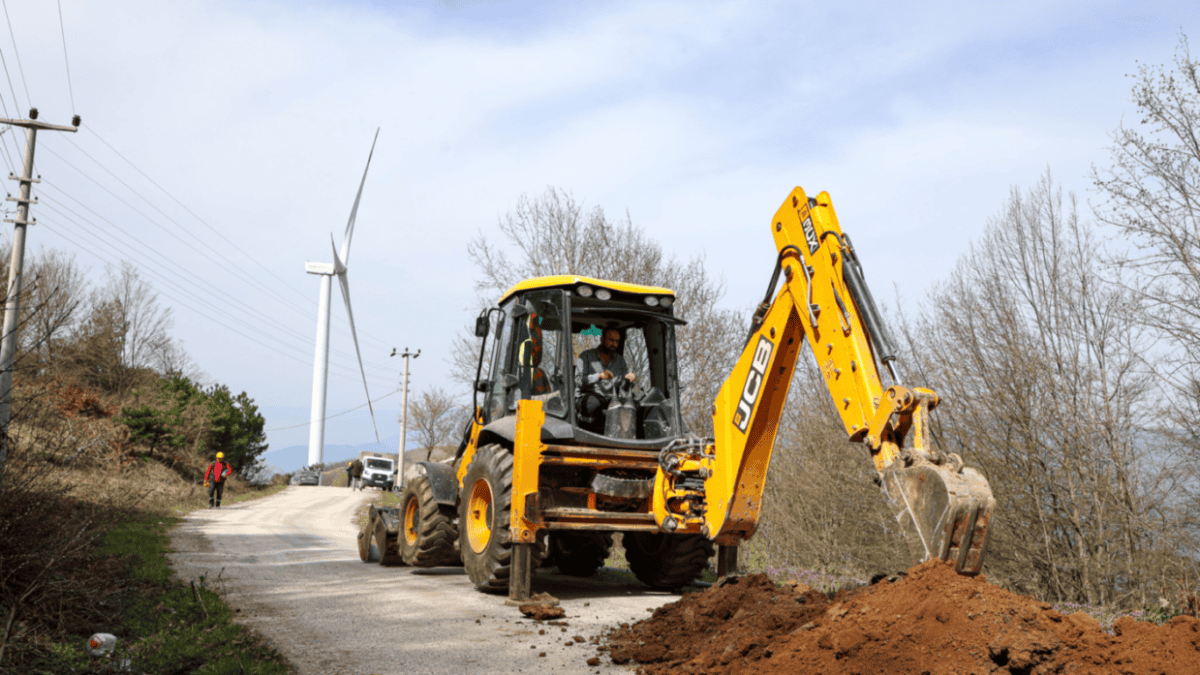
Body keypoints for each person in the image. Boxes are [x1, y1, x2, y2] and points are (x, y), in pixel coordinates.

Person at [575, 327, 637, 427]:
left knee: (632, 406)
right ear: (602, 339)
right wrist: (599, 376)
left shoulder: (620, 360)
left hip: (610, 398)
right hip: (589, 395)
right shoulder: (586, 356)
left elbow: (624, 387)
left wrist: (628, 380)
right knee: (592, 404)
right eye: (611, 340)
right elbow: (578, 381)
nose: (614, 344)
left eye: (617, 341)